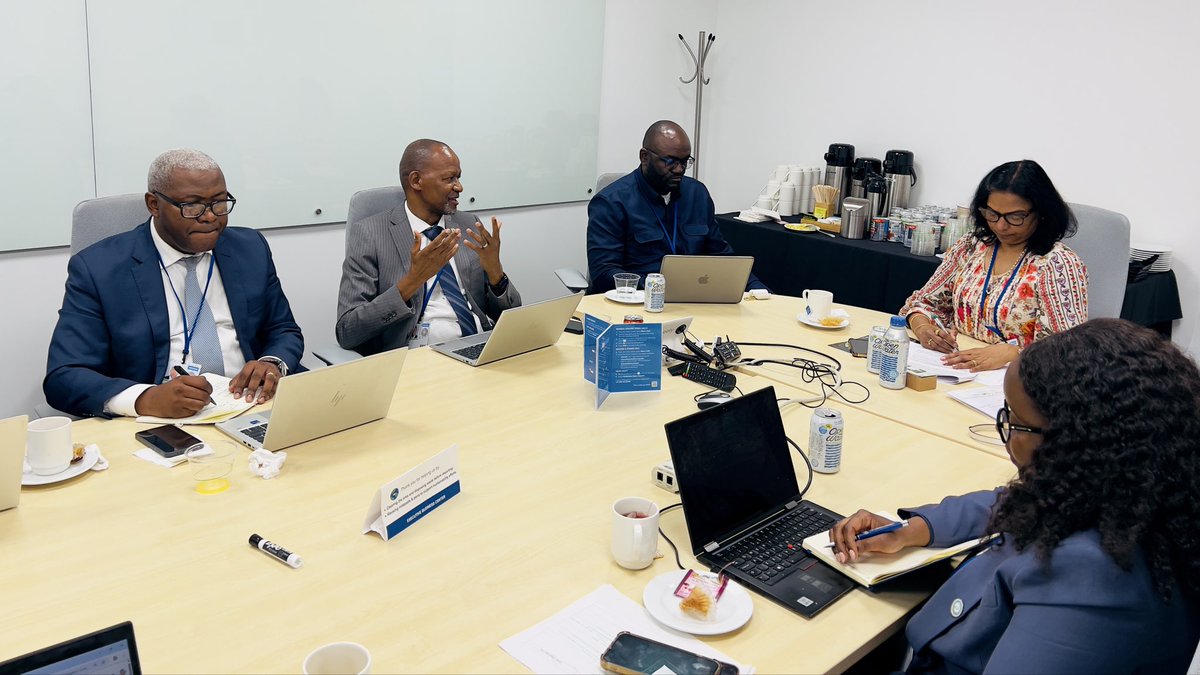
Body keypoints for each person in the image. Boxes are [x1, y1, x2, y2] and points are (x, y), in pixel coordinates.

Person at [828, 319, 1200, 673]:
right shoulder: (1129, 496)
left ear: (1075, 443)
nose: (1005, 434)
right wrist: (913, 529)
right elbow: (1012, 499)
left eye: (1013, 421)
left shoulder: (1089, 579)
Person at [45, 149, 305, 419]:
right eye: (192, 206)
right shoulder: (99, 268)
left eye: (219, 203)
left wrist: (272, 362)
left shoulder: (249, 249)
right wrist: (144, 399)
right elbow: (65, 375)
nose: (210, 217)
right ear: (154, 204)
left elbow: (283, 329)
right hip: (163, 421)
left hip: (252, 405)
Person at [336, 139, 521, 355]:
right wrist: (412, 281)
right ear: (416, 181)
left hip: (480, 348)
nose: (459, 187)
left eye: (458, 177)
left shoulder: (469, 224)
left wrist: (496, 274)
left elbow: (511, 315)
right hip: (418, 357)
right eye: (449, 178)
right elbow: (347, 331)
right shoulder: (370, 233)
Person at [900, 160, 1087, 372]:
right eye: (992, 214)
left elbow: (1068, 349)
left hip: (1019, 378)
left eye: (1015, 217)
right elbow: (923, 302)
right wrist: (922, 326)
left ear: (1042, 213)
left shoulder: (1058, 264)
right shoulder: (971, 246)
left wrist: (1014, 353)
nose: (1000, 226)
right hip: (955, 367)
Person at [586, 120, 767, 294]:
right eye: (670, 161)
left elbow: (721, 256)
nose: (679, 169)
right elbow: (603, 273)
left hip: (694, 299)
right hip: (637, 304)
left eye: (685, 161)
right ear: (644, 157)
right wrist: (658, 288)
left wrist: (758, 289)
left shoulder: (697, 194)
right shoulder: (611, 202)